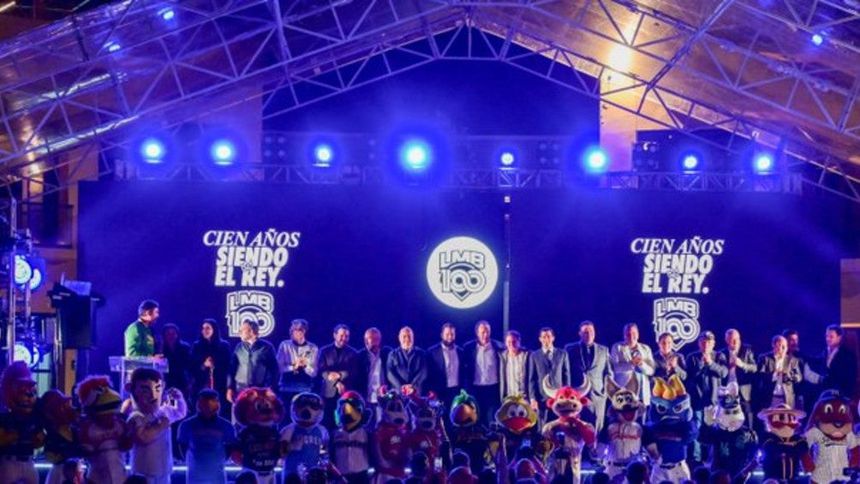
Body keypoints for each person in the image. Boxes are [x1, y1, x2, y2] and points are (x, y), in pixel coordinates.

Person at [127, 368, 187, 484]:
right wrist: (160, 425)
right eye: (145, 390)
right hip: (143, 473)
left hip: (164, 469)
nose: (152, 395)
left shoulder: (164, 411)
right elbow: (143, 437)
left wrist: (179, 399)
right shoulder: (136, 417)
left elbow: (180, 412)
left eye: (157, 388)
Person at [685, 331, 728, 464]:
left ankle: (712, 459)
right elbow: (688, 376)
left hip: (713, 401)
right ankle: (696, 460)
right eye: (703, 342)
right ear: (699, 343)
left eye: (709, 342)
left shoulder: (719, 356)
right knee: (696, 429)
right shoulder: (692, 357)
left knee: (713, 430)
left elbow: (723, 373)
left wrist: (710, 363)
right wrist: (701, 364)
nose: (706, 345)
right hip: (697, 401)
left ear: (713, 344)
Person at [177, 389, 236, 484]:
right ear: (198, 404)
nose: (208, 406)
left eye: (212, 402)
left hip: (216, 474)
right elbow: (182, 445)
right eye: (205, 403)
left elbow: (230, 446)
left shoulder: (226, 426)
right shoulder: (187, 425)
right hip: (196, 474)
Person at [565, 320, 613, 434]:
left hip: (598, 395)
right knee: (578, 428)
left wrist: (607, 392)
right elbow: (566, 371)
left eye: (591, 331)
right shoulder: (570, 349)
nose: (589, 334)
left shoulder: (604, 350)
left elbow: (609, 373)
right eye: (585, 332)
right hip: (578, 394)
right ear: (580, 334)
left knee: (597, 428)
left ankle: (595, 445)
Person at [226, 320, 279, 405]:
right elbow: (232, 369)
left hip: (259, 391)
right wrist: (230, 387)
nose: (239, 332)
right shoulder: (239, 347)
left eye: (242, 330)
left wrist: (270, 389)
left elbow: (274, 371)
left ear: (251, 331)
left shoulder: (266, 347)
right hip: (240, 390)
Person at [463, 320, 503, 426]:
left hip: (493, 388)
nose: (485, 335)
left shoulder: (499, 346)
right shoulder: (468, 348)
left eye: (487, 332)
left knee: (492, 418)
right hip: (476, 388)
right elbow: (464, 370)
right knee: (476, 418)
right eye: (482, 332)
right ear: (477, 333)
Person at [276, 319, 319, 418]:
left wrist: (305, 366)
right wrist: (293, 367)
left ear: (304, 331)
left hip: (305, 388)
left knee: (302, 417)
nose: (295, 333)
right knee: (285, 417)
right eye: (293, 330)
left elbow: (314, 372)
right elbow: (279, 367)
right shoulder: (285, 345)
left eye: (299, 330)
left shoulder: (312, 348)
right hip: (286, 388)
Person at [318, 324, 358, 427]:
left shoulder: (353, 353)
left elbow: (353, 371)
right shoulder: (324, 351)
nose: (344, 338)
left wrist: (340, 375)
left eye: (346, 336)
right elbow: (322, 370)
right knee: (327, 422)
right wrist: (336, 382)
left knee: (344, 422)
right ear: (334, 335)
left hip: (345, 393)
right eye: (341, 335)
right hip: (328, 392)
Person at [528, 327, 570, 424]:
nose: (546, 339)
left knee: (559, 425)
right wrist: (533, 399)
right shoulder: (534, 355)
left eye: (548, 336)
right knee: (543, 427)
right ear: (540, 339)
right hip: (542, 398)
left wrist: (567, 395)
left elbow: (566, 375)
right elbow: (532, 379)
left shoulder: (562, 354)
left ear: (553, 338)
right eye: (543, 337)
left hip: (559, 398)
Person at [189, 319, 232, 411]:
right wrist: (204, 365)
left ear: (214, 330)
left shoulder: (224, 346)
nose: (205, 331)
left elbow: (228, 366)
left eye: (208, 328)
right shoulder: (197, 346)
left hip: (219, 384)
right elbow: (192, 366)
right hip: (201, 384)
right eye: (203, 328)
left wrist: (215, 364)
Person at [806, 325, 857, 399]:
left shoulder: (847, 355)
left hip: (841, 394)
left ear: (839, 338)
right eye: (826, 336)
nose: (828, 339)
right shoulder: (825, 352)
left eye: (831, 337)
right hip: (825, 393)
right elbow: (815, 361)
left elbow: (850, 378)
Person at [610, 323, 655, 408]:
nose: (631, 336)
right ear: (624, 335)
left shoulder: (646, 349)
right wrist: (631, 364)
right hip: (625, 391)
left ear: (638, 335)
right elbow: (614, 368)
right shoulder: (617, 347)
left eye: (634, 333)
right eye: (628, 334)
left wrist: (641, 364)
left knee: (643, 415)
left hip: (642, 392)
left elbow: (651, 371)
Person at [755, 335, 802, 411]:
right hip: (770, 398)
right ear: (774, 346)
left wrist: (788, 375)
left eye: (784, 347)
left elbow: (799, 377)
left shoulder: (792, 360)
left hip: (786, 398)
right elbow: (759, 376)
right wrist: (774, 374)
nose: (783, 349)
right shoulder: (765, 358)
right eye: (780, 346)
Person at [720, 328, 756, 428]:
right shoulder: (722, 353)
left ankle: (749, 433)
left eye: (737, 339)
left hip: (743, 387)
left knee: (746, 412)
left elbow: (754, 367)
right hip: (727, 389)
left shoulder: (747, 350)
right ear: (727, 340)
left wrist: (742, 365)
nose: (735, 342)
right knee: (728, 414)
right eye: (732, 340)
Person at [427, 323, 467, 408]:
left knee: (456, 415)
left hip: (457, 392)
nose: (450, 337)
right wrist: (431, 391)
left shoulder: (460, 351)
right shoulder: (432, 352)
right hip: (439, 392)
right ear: (442, 335)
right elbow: (428, 374)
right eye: (447, 334)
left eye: (452, 334)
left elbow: (464, 372)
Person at [353, 327, 390, 418]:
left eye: (377, 339)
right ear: (366, 341)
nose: (375, 341)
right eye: (372, 339)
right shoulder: (359, 356)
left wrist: (387, 387)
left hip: (384, 397)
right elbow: (355, 380)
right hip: (365, 398)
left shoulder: (386, 354)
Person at [386, 326, 428, 396]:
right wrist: (401, 387)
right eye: (404, 336)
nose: (407, 339)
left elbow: (423, 372)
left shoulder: (421, 353)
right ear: (399, 338)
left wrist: (413, 386)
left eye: (409, 336)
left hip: (416, 393)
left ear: (413, 338)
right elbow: (389, 373)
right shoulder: (392, 354)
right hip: (398, 393)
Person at [159, 324, 191, 399]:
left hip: (182, 380)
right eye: (168, 333)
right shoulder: (160, 348)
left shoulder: (185, 347)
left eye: (173, 333)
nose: (171, 336)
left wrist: (190, 381)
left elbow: (190, 365)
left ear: (177, 334)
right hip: (167, 381)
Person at [499, 330, 529, 400]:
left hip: (524, 397)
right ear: (505, 343)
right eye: (509, 342)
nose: (512, 344)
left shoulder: (527, 356)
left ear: (519, 342)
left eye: (514, 341)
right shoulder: (502, 357)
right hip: (509, 397)